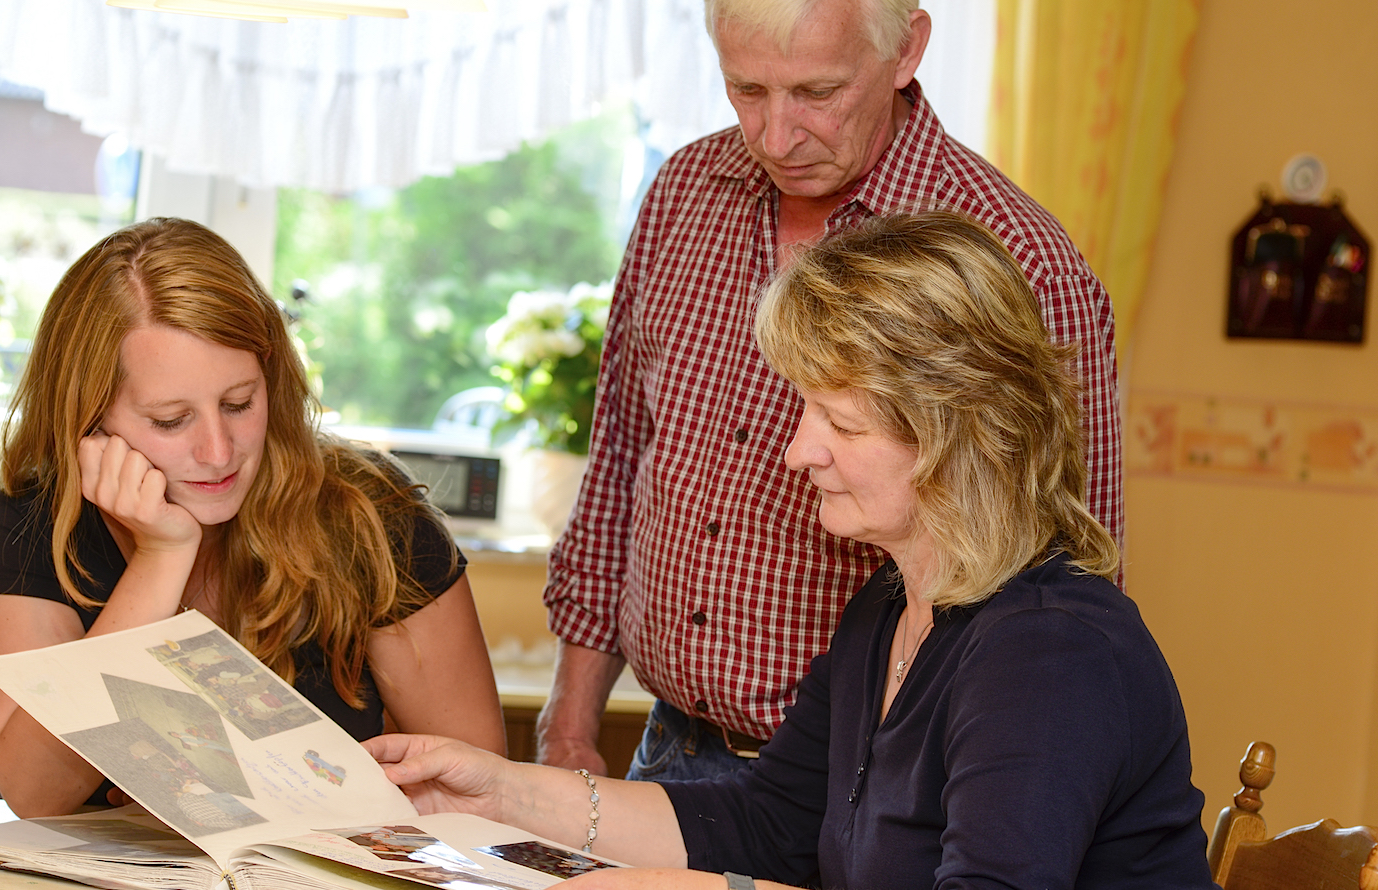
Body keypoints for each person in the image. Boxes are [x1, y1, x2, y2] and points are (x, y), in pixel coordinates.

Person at [367, 211, 1212, 890]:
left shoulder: (1050, 651)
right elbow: (768, 823)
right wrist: (499, 789)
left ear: (959, 435)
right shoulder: (890, 608)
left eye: (840, 423)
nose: (798, 451)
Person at [538, 0, 1124, 780]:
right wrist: (568, 729)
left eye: (816, 93)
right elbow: (619, 463)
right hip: (669, 750)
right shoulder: (684, 194)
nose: (776, 138)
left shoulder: (1019, 260)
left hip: (880, 780)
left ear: (906, 49)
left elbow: (1075, 584)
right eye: (747, 90)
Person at [0, 217, 506, 817]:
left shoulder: (372, 512)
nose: (219, 452)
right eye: (171, 420)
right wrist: (161, 558)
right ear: (88, 419)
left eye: (239, 403)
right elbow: (35, 793)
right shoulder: (32, 512)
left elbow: (478, 798)